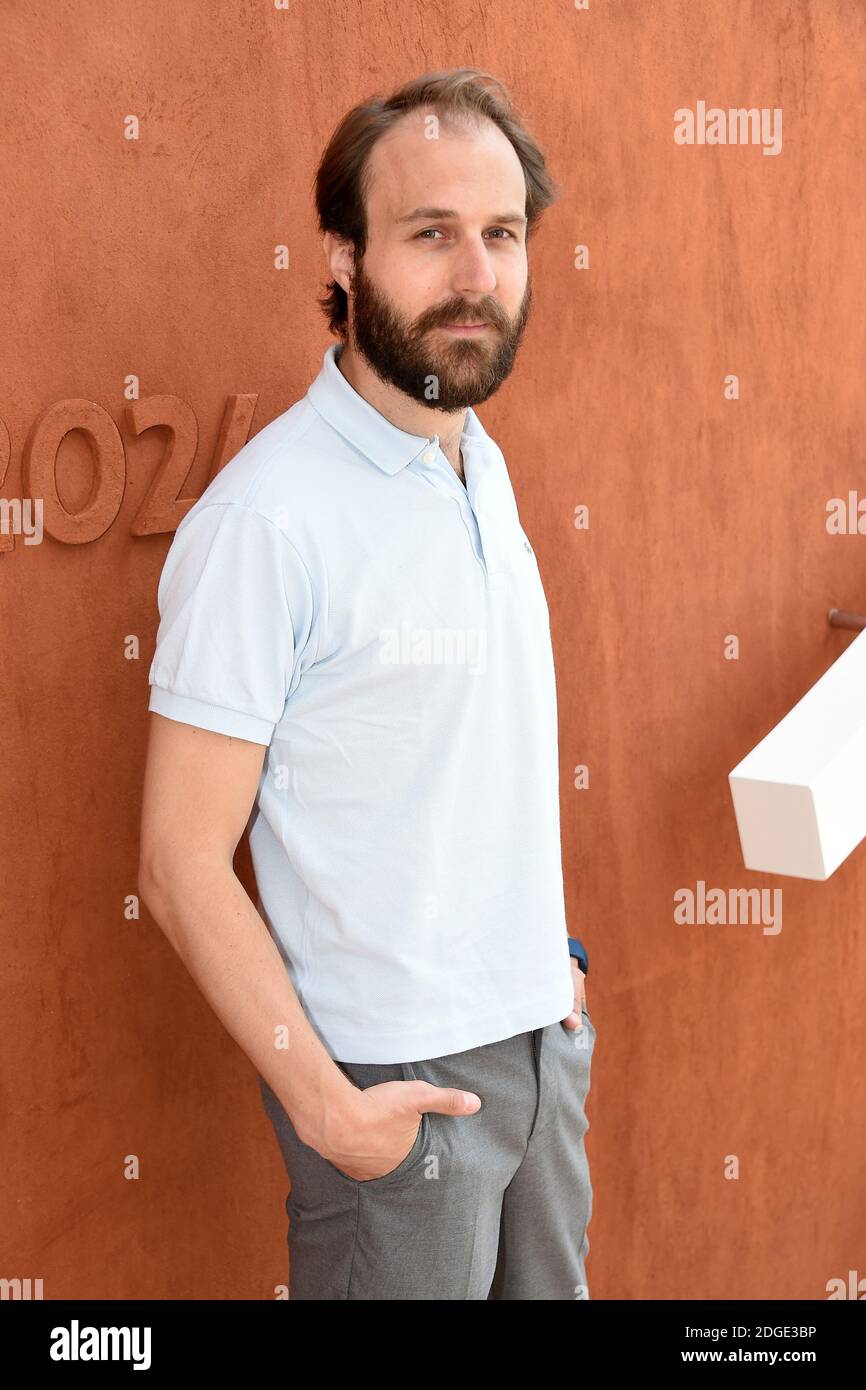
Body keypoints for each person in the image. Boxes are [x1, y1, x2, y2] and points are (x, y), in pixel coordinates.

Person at [139, 67, 595, 1301]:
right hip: (393, 1101)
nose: (474, 275)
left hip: (541, 1056)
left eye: (500, 235)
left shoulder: (476, 464)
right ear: (343, 256)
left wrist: (547, 968)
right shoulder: (267, 521)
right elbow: (179, 863)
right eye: (429, 234)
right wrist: (330, 1111)